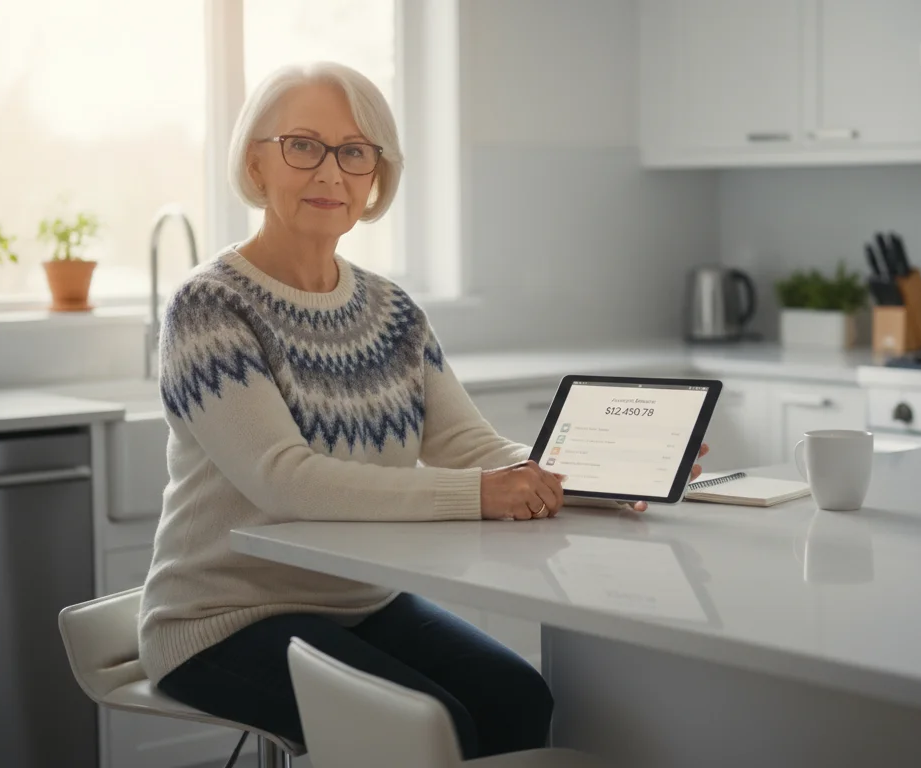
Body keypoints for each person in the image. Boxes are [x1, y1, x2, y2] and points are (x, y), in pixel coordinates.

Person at [139, 61, 707, 760]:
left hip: (359, 605)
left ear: (377, 176)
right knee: (431, 727)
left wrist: (609, 473)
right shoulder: (210, 306)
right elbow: (284, 480)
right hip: (221, 621)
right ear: (255, 164)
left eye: (354, 152)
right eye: (303, 146)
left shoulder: (391, 309)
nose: (331, 172)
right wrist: (482, 496)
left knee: (519, 699)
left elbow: (469, 443)